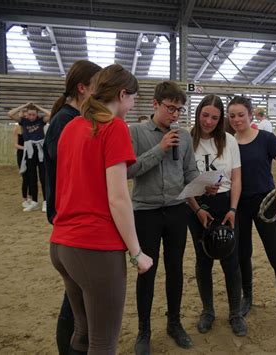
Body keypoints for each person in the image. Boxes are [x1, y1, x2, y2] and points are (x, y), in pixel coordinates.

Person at [49, 64, 153, 354]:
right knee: (103, 343)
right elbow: (118, 198)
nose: (132, 106)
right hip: (94, 246)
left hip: (62, 244)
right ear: (122, 94)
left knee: (83, 334)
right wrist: (136, 253)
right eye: (132, 98)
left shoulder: (71, 126)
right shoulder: (113, 127)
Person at [127, 81, 199, 352]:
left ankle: (174, 323)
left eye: (180, 109)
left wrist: (204, 184)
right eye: (171, 108)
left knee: (175, 269)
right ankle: (144, 331)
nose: (175, 114)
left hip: (177, 210)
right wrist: (161, 148)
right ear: (155, 104)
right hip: (145, 211)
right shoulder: (135, 132)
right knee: (147, 271)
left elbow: (189, 172)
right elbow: (129, 170)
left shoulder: (184, 137)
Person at [227, 96, 276, 333]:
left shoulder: (266, 139)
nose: (237, 119)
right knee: (242, 254)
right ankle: (247, 297)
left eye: (241, 114)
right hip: (237, 205)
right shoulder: (227, 143)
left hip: (265, 203)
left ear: (251, 115)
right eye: (232, 116)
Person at [44, 59, 102, 355]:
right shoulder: (66, 121)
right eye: (97, 87)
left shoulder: (68, 118)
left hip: (69, 216)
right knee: (76, 295)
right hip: (71, 218)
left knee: (77, 293)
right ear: (82, 88)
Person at [186, 94, 246, 336]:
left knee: (231, 260)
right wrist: (198, 208)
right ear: (198, 112)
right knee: (203, 259)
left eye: (214, 117)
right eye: (204, 115)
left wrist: (232, 209)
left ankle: (235, 313)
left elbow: (237, 178)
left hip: (224, 204)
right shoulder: (187, 140)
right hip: (196, 205)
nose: (208, 122)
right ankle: (208, 311)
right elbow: (182, 180)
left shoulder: (229, 141)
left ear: (221, 119)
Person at [9, 102, 51, 212]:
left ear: (37, 114)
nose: (32, 117)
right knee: (32, 177)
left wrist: (38, 107)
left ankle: (46, 202)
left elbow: (51, 114)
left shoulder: (40, 121)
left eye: (34, 114)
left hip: (40, 149)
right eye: (30, 114)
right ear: (27, 114)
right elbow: (10, 113)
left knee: (43, 176)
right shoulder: (23, 121)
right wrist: (23, 106)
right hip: (29, 150)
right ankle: (34, 202)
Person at [13, 118, 31, 208]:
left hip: (30, 153)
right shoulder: (17, 128)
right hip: (21, 155)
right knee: (25, 177)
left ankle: (31, 197)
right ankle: (25, 198)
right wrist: (25, 148)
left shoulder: (30, 128)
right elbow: (15, 144)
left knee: (32, 176)